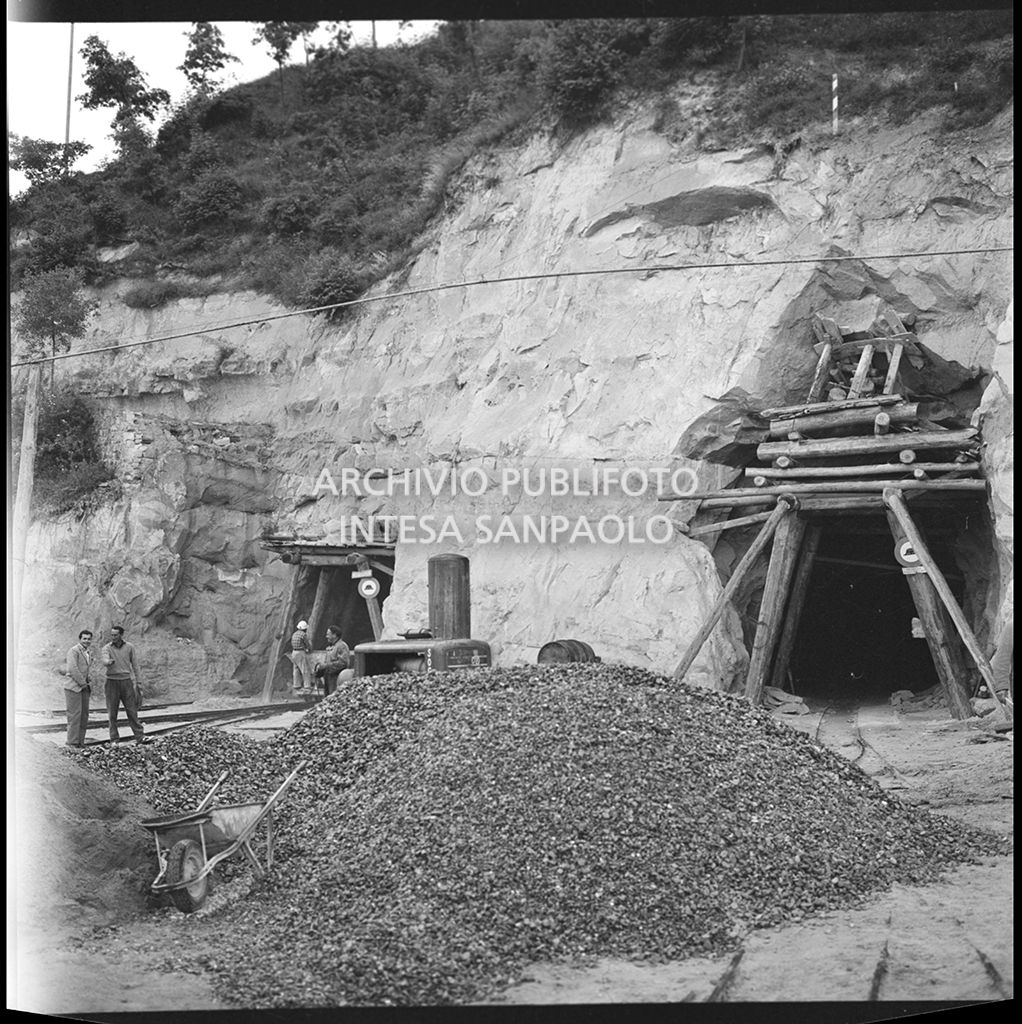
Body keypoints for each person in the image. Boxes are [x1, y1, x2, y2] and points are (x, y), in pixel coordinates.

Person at [101, 625, 147, 744]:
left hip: (126, 682)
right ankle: (114, 739)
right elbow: (104, 659)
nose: (113, 637)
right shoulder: (107, 648)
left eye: (115, 635)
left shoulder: (130, 647)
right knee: (112, 712)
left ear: (121, 635)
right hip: (111, 682)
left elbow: (135, 665)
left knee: (132, 711)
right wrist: (108, 662)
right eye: (112, 635)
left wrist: (139, 682)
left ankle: (140, 736)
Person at [64, 629, 94, 747]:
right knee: (74, 716)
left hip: (84, 688)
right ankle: (71, 743)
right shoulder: (74, 651)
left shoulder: (88, 652)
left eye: (89, 639)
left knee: (83, 715)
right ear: (80, 639)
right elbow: (73, 669)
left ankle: (80, 742)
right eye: (84, 638)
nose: (87, 641)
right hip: (73, 687)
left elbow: (85, 669)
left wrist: (88, 680)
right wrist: (83, 683)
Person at [314, 625, 352, 697]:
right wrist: (320, 671)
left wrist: (326, 666)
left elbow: (343, 663)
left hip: (337, 679)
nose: (326, 636)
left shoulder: (342, 646)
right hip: (328, 678)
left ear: (334, 635)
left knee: (335, 698)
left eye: (328, 634)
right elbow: (327, 664)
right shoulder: (330, 648)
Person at [290, 619, 314, 697]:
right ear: (305, 628)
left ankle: (296, 685)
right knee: (305, 669)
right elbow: (307, 644)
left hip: (293, 652)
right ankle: (307, 686)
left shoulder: (294, 634)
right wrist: (309, 649)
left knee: (296, 669)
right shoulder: (303, 635)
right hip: (300, 653)